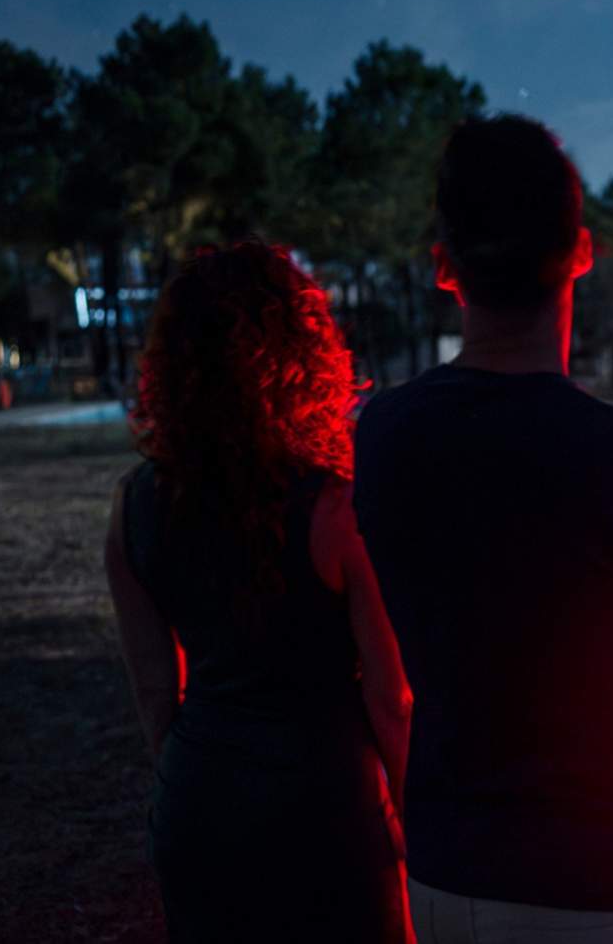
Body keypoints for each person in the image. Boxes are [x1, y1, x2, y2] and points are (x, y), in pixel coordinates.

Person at [352, 114, 613, 944]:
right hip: (606, 874)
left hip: (450, 866)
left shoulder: (381, 436)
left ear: (443, 266)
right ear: (581, 252)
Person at [103, 241, 412, 942]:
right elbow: (390, 701)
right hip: (328, 807)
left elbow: (156, 699)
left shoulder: (132, 509)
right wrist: (413, 817)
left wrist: (198, 786)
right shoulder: (335, 509)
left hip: (198, 802)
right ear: (305, 360)